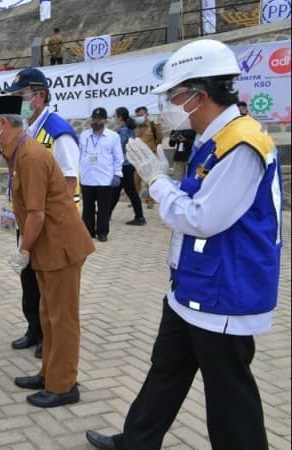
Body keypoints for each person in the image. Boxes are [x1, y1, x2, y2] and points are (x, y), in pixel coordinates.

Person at [86, 39, 283, 450]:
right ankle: (137, 442)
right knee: (167, 370)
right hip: (192, 286)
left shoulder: (241, 145)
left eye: (173, 96)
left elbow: (201, 219)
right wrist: (168, 182)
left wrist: (158, 182)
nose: (168, 106)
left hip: (223, 292)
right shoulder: (215, 138)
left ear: (199, 96)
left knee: (230, 398)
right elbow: (196, 200)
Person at [0, 95, 94, 408]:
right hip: (49, 247)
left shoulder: (29, 156)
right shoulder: (18, 153)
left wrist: (23, 250)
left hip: (60, 248)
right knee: (48, 315)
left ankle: (64, 385)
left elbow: (37, 214)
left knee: (62, 318)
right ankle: (49, 374)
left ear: (2, 124)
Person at [5, 67, 80, 357]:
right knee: (29, 280)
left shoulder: (58, 132)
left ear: (40, 96)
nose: (18, 101)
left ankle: (49, 340)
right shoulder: (24, 131)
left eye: (22, 95)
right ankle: (34, 329)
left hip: (50, 225)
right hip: (28, 221)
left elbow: (69, 182)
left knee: (49, 286)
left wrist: (47, 221)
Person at [79, 107, 123, 242]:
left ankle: (102, 232)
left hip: (105, 178)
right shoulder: (84, 135)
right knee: (88, 207)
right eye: (94, 118)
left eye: (99, 119)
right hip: (87, 177)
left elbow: (118, 157)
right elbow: (79, 155)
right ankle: (88, 231)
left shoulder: (113, 137)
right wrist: (78, 172)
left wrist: (117, 174)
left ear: (105, 121)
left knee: (103, 207)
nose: (96, 121)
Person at [109, 106, 145, 225]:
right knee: (115, 191)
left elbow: (118, 148)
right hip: (127, 164)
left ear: (120, 117)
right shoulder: (128, 128)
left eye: (115, 116)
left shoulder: (123, 130)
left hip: (124, 164)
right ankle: (106, 214)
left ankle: (140, 217)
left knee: (130, 191)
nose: (114, 118)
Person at [133, 106, 163, 209]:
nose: (139, 117)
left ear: (147, 114)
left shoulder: (153, 126)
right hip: (138, 158)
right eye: (137, 116)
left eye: (141, 115)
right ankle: (135, 201)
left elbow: (160, 140)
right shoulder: (135, 127)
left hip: (150, 158)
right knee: (136, 181)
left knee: (150, 180)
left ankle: (150, 201)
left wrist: (155, 153)